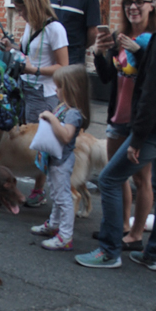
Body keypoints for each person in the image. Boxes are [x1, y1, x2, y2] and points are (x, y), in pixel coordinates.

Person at [75, 0, 156, 271]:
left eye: (151, 0)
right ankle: (154, 255)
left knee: (110, 180)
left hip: (155, 129)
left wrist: (137, 138)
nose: (141, 6)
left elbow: (154, 92)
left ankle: (109, 251)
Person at [93, 0, 156, 250]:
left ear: (152, 6)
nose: (133, 7)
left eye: (140, 2)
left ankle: (136, 234)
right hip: (117, 116)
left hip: (140, 120)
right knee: (114, 174)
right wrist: (99, 52)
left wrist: (139, 52)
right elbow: (108, 77)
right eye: (129, 2)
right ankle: (120, 225)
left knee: (142, 179)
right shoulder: (120, 37)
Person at [6, 0, 68, 207]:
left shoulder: (55, 29)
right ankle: (38, 187)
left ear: (33, 5)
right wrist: (11, 46)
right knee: (30, 141)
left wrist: (36, 70)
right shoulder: (30, 26)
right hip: (26, 88)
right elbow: (28, 53)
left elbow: (64, 66)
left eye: (22, 9)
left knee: (42, 143)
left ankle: (40, 189)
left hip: (44, 93)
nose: (20, 14)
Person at [30, 64, 90, 250]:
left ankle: (65, 236)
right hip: (56, 161)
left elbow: (66, 136)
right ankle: (54, 224)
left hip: (61, 162)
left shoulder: (73, 113)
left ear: (71, 88)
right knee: (56, 194)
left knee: (63, 198)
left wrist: (51, 118)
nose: (55, 89)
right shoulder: (65, 107)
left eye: (59, 86)